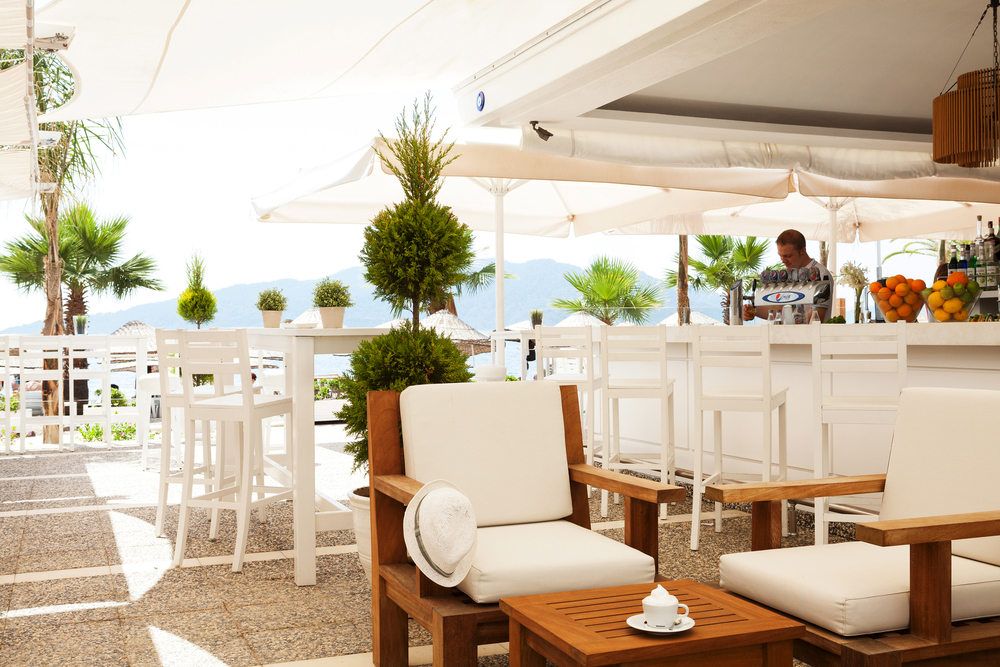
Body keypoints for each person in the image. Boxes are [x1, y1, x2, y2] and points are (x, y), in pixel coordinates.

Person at [744, 229, 833, 322]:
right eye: (780, 256)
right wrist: (753, 311)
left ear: (803, 251)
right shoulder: (789, 274)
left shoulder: (819, 274)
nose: (783, 261)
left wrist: (792, 326)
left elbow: (817, 316)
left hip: (807, 331)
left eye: (788, 256)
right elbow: (779, 310)